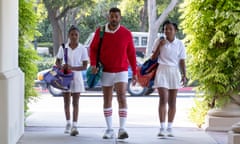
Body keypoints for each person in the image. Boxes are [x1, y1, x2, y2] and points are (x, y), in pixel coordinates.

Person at [89, 7, 137, 139]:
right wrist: (93, 63)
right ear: (108, 17)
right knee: (107, 99)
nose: (114, 19)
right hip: (106, 70)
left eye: (116, 16)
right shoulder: (101, 31)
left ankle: (122, 129)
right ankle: (109, 129)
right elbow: (92, 49)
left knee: (122, 97)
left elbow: (131, 53)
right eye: (112, 16)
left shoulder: (126, 33)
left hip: (121, 70)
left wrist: (135, 71)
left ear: (120, 17)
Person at [151, 20, 187, 138]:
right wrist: (159, 46)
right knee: (163, 99)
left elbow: (182, 61)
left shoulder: (180, 43)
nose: (167, 31)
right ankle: (162, 128)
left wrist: (184, 75)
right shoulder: (159, 41)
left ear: (175, 31)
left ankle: (169, 127)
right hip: (162, 70)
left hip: (174, 72)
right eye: (165, 29)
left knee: (172, 102)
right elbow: (153, 58)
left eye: (170, 29)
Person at [55, 25, 89, 136]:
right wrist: (62, 66)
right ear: (69, 35)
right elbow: (57, 62)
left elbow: (85, 66)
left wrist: (72, 68)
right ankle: (68, 123)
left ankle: (75, 125)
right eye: (72, 34)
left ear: (79, 36)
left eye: (76, 34)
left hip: (77, 77)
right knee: (66, 102)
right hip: (65, 77)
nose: (74, 36)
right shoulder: (63, 47)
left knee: (75, 102)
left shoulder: (82, 48)